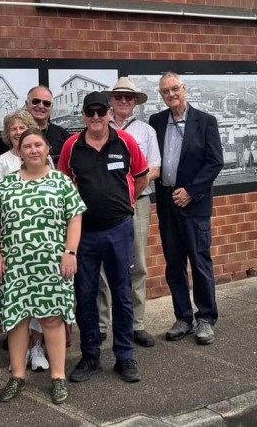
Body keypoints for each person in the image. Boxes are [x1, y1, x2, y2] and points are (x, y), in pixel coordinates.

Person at [0, 128, 84, 405]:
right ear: (19, 151)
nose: (33, 150)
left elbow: (75, 218)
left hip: (52, 263)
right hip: (15, 264)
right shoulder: (5, 184)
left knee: (52, 318)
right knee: (17, 320)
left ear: (47, 150)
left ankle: (58, 377)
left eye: (38, 145)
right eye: (27, 145)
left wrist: (70, 252)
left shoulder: (61, 182)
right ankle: (18, 375)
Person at [58, 92, 149, 384]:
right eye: (90, 112)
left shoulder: (125, 142)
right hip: (84, 233)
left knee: (122, 294)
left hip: (119, 230)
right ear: (83, 115)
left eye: (101, 111)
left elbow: (141, 175)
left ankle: (125, 357)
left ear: (110, 113)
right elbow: (65, 183)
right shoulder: (72, 146)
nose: (96, 117)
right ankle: (91, 357)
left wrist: (128, 202)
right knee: (85, 295)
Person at [148, 73, 224, 346]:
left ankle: (205, 318)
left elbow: (215, 162)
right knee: (174, 263)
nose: (171, 94)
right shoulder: (156, 122)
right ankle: (183, 317)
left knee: (200, 262)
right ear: (161, 95)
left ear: (184, 89)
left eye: (175, 89)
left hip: (194, 204)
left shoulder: (205, 122)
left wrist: (191, 191)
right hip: (168, 204)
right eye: (165, 91)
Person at [98, 77, 162, 348]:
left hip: (139, 204)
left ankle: (137, 324)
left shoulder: (146, 131)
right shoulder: (98, 125)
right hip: (104, 207)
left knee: (137, 265)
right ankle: (101, 326)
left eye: (129, 97)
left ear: (135, 102)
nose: (124, 101)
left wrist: (132, 193)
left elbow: (155, 169)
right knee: (101, 267)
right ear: (111, 99)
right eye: (119, 96)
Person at [0, 109, 52, 373]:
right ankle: (19, 352)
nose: (17, 132)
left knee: (41, 298)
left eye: (22, 128)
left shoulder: (46, 161)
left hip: (43, 243)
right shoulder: (0, 164)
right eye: (13, 129)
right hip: (11, 243)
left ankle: (37, 347)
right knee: (17, 299)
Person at [25, 85, 70, 162]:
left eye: (46, 103)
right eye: (36, 101)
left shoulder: (63, 136)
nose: (41, 106)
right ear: (26, 104)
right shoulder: (15, 134)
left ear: (51, 108)